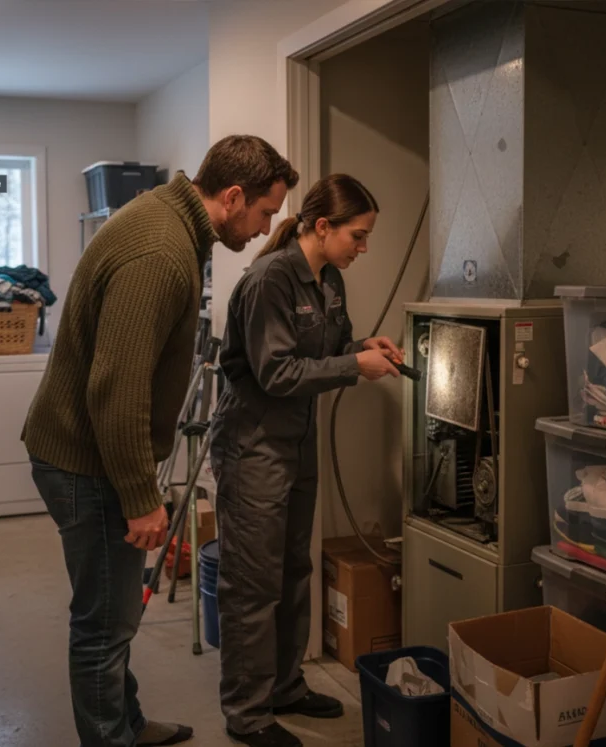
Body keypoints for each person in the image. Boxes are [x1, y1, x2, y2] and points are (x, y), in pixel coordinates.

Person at [22, 135, 300, 747]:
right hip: (85, 461)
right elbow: (114, 390)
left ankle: (129, 723)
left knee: (111, 612)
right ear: (233, 197)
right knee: (104, 623)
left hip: (84, 452)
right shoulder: (162, 251)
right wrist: (140, 494)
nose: (266, 228)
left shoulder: (170, 223)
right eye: (264, 212)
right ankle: (112, 738)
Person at [209, 174, 402, 747]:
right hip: (254, 449)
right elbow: (275, 373)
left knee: (294, 571)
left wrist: (360, 348)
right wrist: (352, 370)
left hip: (296, 442)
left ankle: (285, 686)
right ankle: (247, 713)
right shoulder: (269, 279)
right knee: (253, 583)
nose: (362, 248)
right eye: (358, 236)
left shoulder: (330, 280)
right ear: (323, 227)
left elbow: (328, 349)